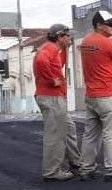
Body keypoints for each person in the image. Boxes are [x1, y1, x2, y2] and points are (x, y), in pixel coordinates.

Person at [76, 9, 112, 181]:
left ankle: (86, 168)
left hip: (92, 95)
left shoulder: (86, 42)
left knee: (90, 134)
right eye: (110, 24)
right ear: (99, 25)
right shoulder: (108, 43)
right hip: (108, 95)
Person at [34, 23, 82, 181]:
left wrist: (67, 48)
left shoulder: (57, 49)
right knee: (55, 134)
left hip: (55, 96)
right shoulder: (49, 48)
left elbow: (56, 64)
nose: (70, 38)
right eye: (68, 36)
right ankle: (51, 171)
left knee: (68, 129)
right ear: (60, 36)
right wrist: (50, 80)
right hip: (50, 96)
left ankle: (75, 163)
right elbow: (41, 61)